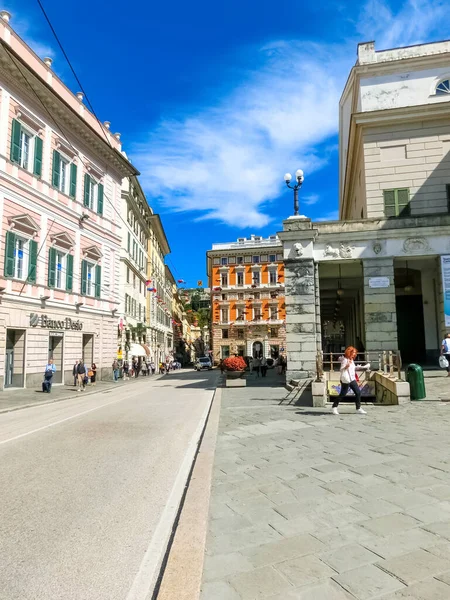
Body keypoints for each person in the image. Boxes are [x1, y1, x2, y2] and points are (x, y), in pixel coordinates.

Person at [332, 346, 370, 415]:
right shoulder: (345, 360)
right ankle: (334, 407)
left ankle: (358, 408)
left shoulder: (351, 360)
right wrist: (346, 366)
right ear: (349, 352)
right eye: (353, 352)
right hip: (346, 379)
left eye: (355, 353)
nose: (354, 354)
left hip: (352, 379)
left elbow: (353, 368)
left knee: (358, 392)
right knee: (343, 394)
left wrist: (362, 367)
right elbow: (341, 369)